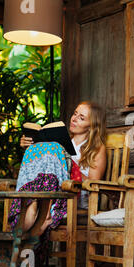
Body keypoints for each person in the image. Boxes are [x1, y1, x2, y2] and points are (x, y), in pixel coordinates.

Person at [10, 101, 107, 237]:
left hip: (73, 196)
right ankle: (33, 203)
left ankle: (43, 211)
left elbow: (94, 183)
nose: (74, 119)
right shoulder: (64, 141)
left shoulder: (97, 148)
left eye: (81, 118)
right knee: (39, 149)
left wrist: (66, 165)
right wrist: (31, 148)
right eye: (75, 114)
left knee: (54, 150)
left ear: (92, 126)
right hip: (50, 191)